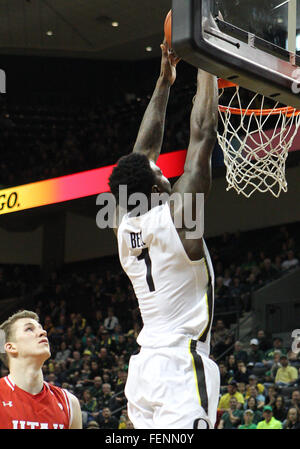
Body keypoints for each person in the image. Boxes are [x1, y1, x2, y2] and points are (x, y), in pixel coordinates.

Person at [108, 24, 220, 428]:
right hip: (179, 364)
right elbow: (203, 134)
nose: (164, 170)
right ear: (156, 185)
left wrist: (165, 80)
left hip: (143, 371)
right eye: (159, 171)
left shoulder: (123, 227)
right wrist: (207, 59)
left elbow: (141, 154)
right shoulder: (179, 217)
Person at [0, 310, 82, 429]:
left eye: (41, 328)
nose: (43, 332)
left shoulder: (69, 402)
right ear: (11, 347)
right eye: (29, 329)